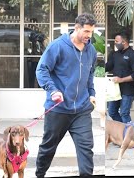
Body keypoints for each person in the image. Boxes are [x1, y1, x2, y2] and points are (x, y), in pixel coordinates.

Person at [35, 13, 97, 177]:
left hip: (82, 110)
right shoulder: (58, 46)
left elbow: (90, 74)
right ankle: (39, 174)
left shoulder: (91, 50)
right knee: (48, 147)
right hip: (58, 109)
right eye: (86, 31)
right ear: (76, 27)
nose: (88, 36)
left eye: (91, 32)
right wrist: (53, 90)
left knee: (86, 149)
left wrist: (92, 93)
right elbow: (42, 70)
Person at [105, 31, 134, 123]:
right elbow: (107, 67)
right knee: (112, 112)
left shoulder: (133, 55)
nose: (115, 43)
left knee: (124, 113)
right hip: (115, 89)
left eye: (117, 41)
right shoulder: (114, 54)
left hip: (128, 89)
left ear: (124, 42)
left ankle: (128, 134)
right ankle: (123, 130)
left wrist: (121, 79)